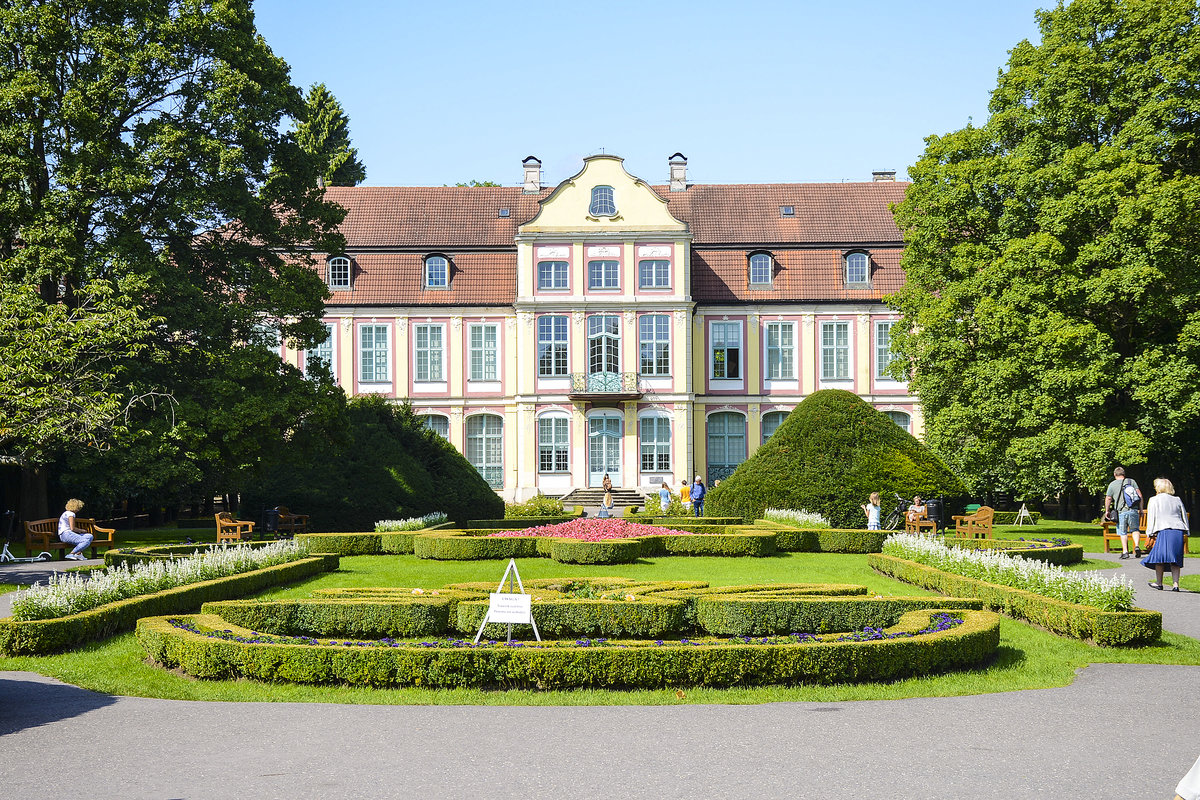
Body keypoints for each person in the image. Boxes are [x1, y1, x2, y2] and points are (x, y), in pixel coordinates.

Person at [1142, 477, 1188, 591]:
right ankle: (1176, 585)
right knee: (1176, 559)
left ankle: (1159, 583)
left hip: (1163, 529)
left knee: (1159, 558)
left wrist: (1149, 532)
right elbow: (1183, 516)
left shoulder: (1154, 499)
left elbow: (1151, 517)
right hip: (1178, 530)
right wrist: (1187, 530)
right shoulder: (1177, 499)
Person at [1104, 466, 1144, 559]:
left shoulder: (1112, 484)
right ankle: (1137, 546)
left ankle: (1125, 551)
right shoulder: (1131, 482)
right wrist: (1141, 509)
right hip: (1133, 510)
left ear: (1115, 474)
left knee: (1123, 532)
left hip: (1121, 511)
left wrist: (1107, 510)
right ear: (1124, 474)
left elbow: (1108, 498)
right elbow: (1140, 495)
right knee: (1135, 529)